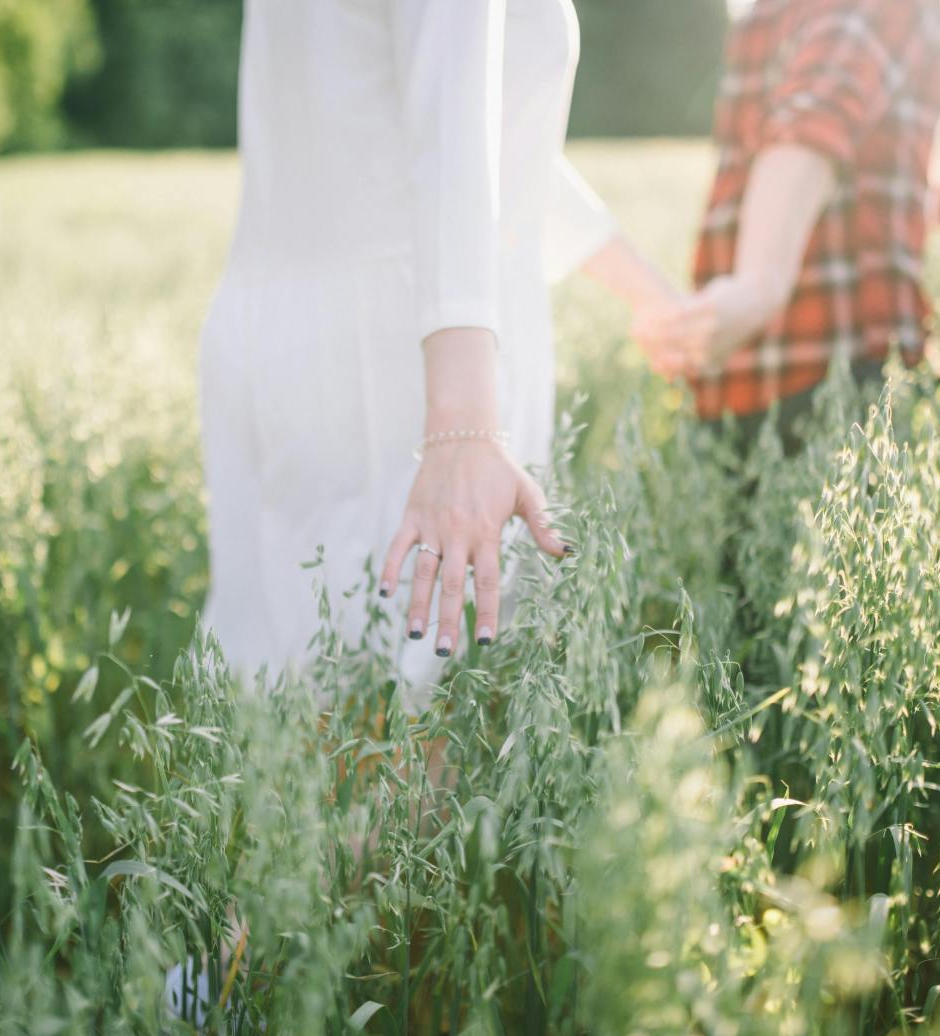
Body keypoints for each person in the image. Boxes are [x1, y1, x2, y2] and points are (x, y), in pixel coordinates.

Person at [198, 0, 679, 695]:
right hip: (403, 367)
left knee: (296, 711)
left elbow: (498, 144)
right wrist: (463, 431)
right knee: (402, 735)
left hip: (294, 336)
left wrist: (656, 299)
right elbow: (449, 141)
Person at [633, 0, 940, 453]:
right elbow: (815, 122)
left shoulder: (766, 11)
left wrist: (913, 205)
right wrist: (760, 284)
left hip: (740, 369)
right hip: (837, 373)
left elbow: (807, 149)